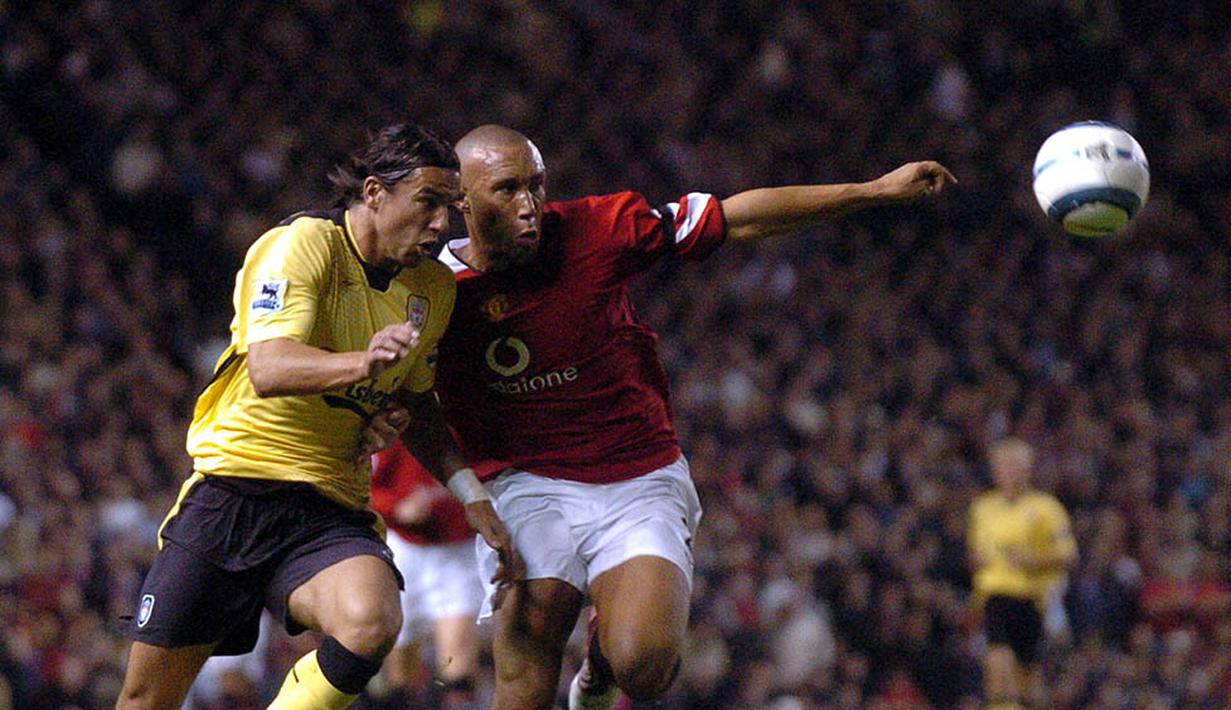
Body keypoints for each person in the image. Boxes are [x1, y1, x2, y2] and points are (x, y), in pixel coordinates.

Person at [403, 124, 955, 710]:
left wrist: (873, 190)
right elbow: (409, 404)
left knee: (645, 666)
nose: (529, 206)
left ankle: (603, 664)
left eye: (536, 186)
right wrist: (469, 494)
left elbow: (736, 216)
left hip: (636, 475)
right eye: (507, 190)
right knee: (527, 662)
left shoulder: (598, 228)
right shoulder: (429, 289)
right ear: (460, 200)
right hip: (524, 482)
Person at [115, 123, 518, 710]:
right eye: (428, 203)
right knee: (146, 697)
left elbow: (419, 402)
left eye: (449, 210)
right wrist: (363, 363)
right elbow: (270, 368)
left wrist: (470, 493)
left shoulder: (433, 287)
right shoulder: (305, 244)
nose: (440, 225)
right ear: (376, 192)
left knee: (372, 620)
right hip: (235, 490)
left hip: (328, 505)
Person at [370, 440, 484, 709]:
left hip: (458, 550)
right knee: (401, 674)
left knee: (458, 672)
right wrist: (395, 507)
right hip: (404, 549)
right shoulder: (396, 425)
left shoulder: (468, 418)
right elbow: (361, 485)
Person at [968, 437, 1077, 710]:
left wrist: (1031, 560)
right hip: (996, 594)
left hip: (1032, 597)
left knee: (1028, 678)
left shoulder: (1046, 508)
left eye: (1016, 465)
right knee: (998, 662)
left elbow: (1068, 553)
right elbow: (977, 553)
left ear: (1028, 469)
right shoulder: (983, 508)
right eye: (1004, 465)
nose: (1009, 471)